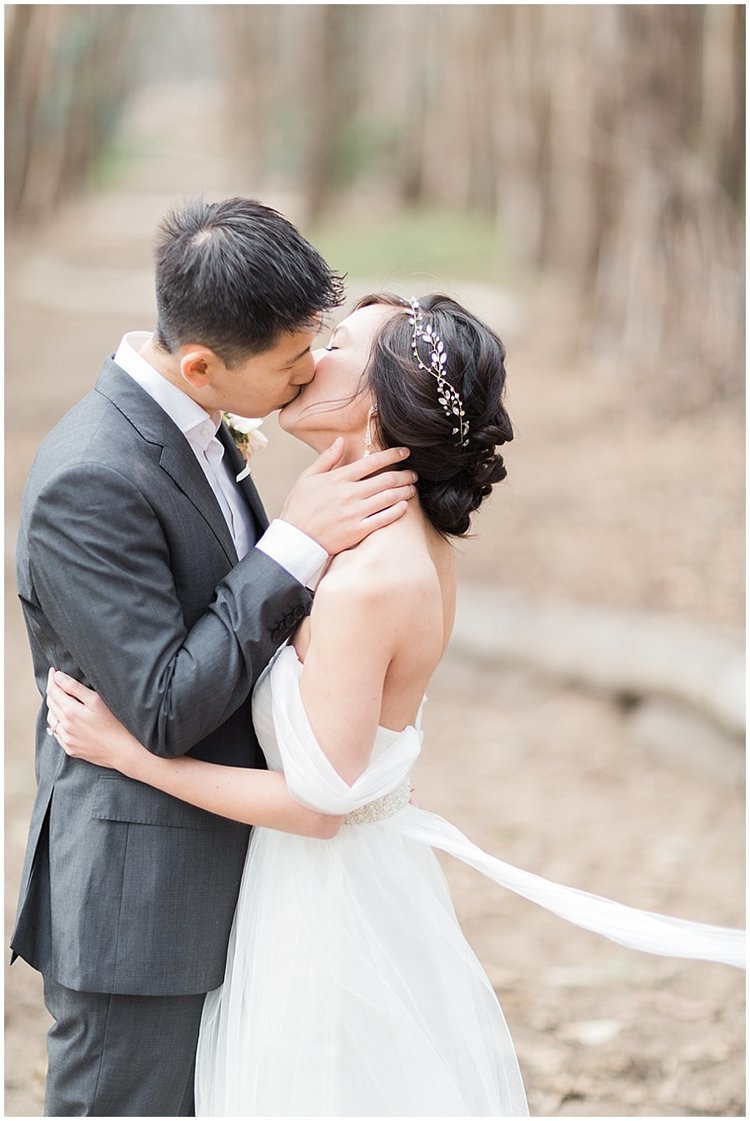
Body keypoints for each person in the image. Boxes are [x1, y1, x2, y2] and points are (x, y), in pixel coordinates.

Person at [46, 294, 744, 1116]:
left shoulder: (375, 576)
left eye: (337, 344)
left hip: (330, 910)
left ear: (383, 396)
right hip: (317, 887)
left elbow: (317, 806)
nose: (312, 353)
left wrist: (132, 754)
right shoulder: (362, 531)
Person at [11, 199, 419, 1118]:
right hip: (138, 909)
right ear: (201, 365)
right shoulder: (92, 476)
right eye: (291, 362)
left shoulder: (203, 419)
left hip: (234, 873)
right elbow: (161, 705)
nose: (313, 371)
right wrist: (294, 549)